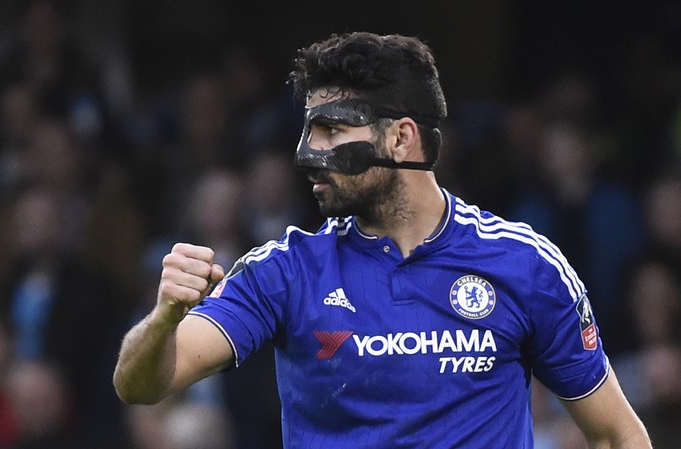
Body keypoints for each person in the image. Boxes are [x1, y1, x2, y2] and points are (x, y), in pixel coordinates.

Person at [113, 32, 651, 448]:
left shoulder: (524, 265)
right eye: (306, 131)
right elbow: (140, 386)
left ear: (401, 138)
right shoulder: (284, 272)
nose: (306, 153)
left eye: (330, 130)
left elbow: (617, 434)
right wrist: (163, 319)